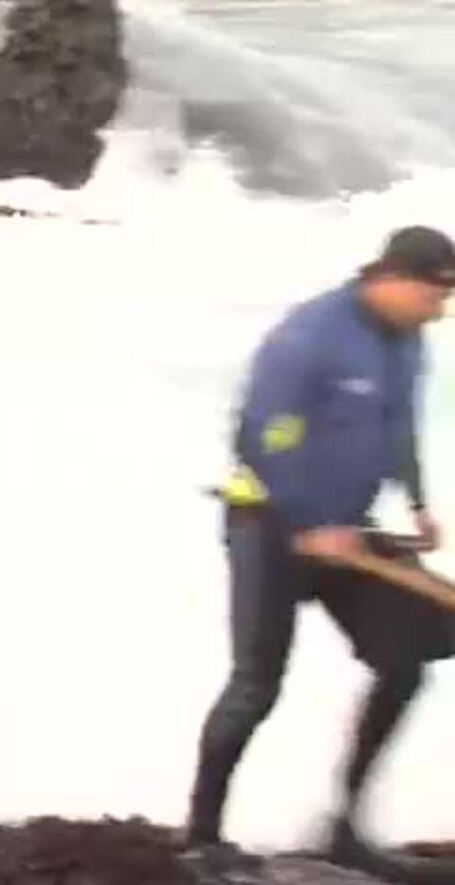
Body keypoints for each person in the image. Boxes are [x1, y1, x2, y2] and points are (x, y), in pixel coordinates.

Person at [185, 225, 455, 882]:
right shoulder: (311, 334)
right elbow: (263, 432)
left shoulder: (407, 340)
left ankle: (344, 832)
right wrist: (306, 519)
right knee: (257, 684)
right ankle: (201, 841)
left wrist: (416, 501)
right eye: (436, 292)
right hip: (269, 528)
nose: (441, 308)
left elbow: (399, 423)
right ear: (391, 276)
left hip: (349, 532)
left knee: (408, 661)